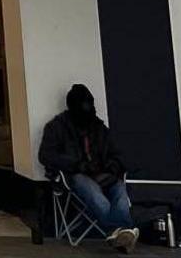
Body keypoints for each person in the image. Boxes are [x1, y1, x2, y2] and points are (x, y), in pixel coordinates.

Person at [39, 83, 139, 253]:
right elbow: (46, 155)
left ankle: (120, 233)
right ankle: (119, 230)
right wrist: (77, 164)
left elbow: (118, 154)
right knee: (92, 190)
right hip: (75, 175)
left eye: (89, 105)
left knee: (119, 189)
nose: (87, 109)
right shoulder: (57, 127)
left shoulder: (99, 128)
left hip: (103, 174)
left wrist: (112, 166)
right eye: (83, 106)